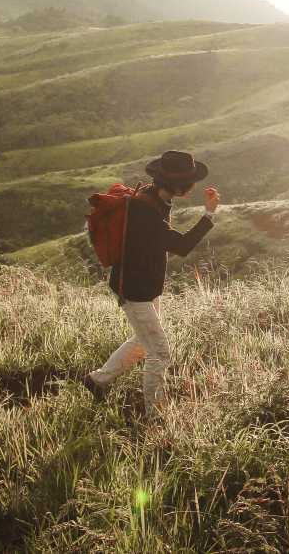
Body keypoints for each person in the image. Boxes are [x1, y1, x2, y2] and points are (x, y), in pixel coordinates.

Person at [81, 150, 220, 421]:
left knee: (144, 342)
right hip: (135, 290)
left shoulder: (154, 197)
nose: (193, 184)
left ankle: (96, 381)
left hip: (144, 286)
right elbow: (181, 245)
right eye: (190, 179)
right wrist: (209, 214)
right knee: (160, 352)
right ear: (178, 185)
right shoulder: (146, 211)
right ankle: (154, 417)